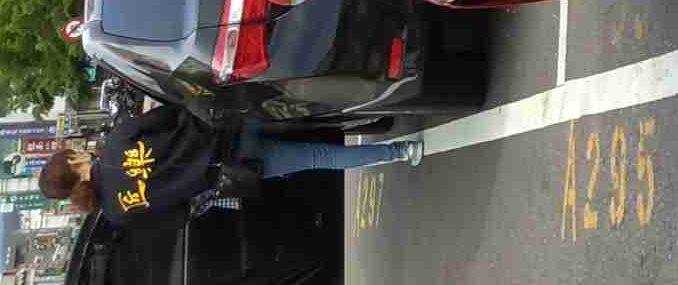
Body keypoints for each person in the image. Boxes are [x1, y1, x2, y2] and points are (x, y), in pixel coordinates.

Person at [39, 106, 420, 223]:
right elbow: (170, 113)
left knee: (318, 158)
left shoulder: (117, 213)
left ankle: (400, 151)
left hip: (232, 169)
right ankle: (375, 106)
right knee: (306, 110)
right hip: (227, 125)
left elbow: (178, 214)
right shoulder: (118, 141)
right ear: (72, 161)